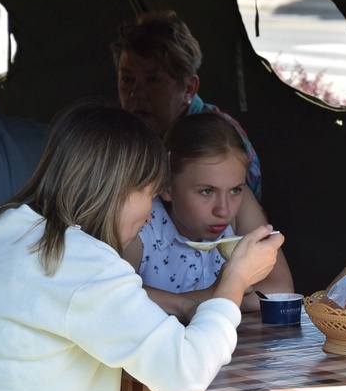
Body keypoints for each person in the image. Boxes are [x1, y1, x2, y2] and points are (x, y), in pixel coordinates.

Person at [0, 101, 284, 391]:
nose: (149, 214)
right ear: (120, 190)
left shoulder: (6, 230)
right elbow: (184, 369)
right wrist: (235, 279)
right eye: (148, 195)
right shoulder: (81, 264)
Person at [122, 112, 293, 312]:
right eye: (206, 191)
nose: (224, 210)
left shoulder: (240, 203)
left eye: (235, 190)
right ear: (167, 186)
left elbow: (279, 291)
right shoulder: (141, 225)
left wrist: (167, 304)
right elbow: (114, 300)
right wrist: (227, 288)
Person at [109, 9, 262, 203]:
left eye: (153, 80)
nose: (136, 93)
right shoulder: (119, 135)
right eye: (128, 80)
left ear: (189, 88)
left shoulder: (220, 139)